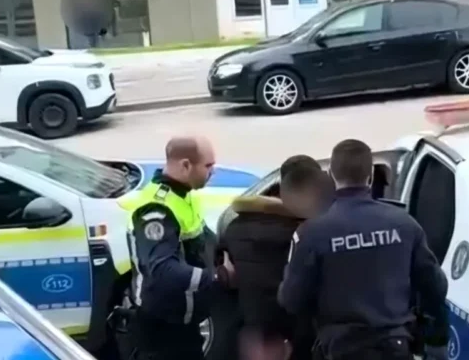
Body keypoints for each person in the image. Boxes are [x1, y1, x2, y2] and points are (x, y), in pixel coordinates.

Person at [278, 139, 449, 360]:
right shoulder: (404, 224)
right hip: (394, 347)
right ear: (370, 175)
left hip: (340, 349)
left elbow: (291, 300)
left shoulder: (311, 233)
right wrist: (435, 339)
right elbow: (435, 286)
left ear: (331, 175)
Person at [120, 135, 234, 360]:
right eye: (208, 166)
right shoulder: (156, 209)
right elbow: (164, 271)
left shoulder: (184, 196)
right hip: (162, 325)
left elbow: (203, 240)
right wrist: (217, 277)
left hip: (183, 321)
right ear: (186, 165)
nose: (213, 172)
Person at [222, 155, 328, 360]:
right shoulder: (309, 234)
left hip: (255, 336)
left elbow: (227, 274)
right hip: (300, 336)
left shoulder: (235, 228)